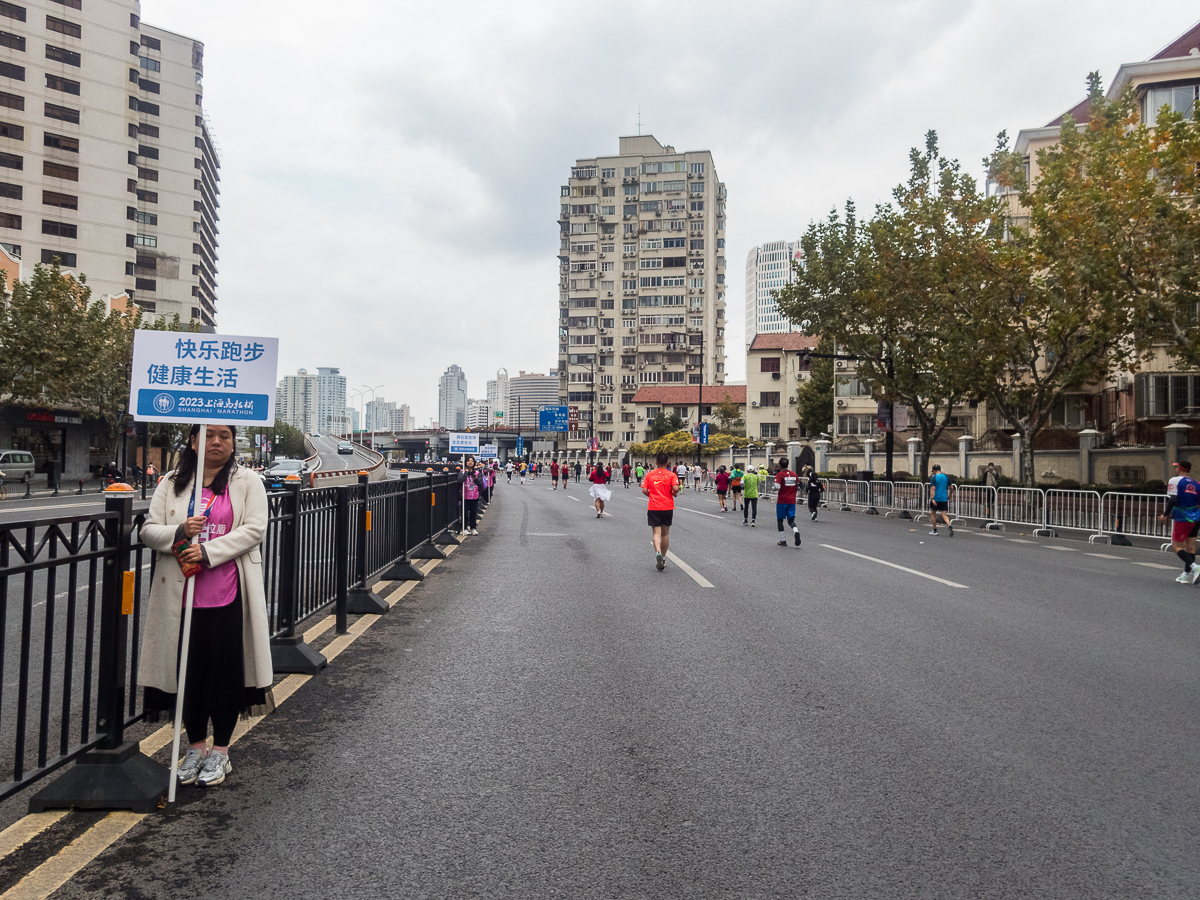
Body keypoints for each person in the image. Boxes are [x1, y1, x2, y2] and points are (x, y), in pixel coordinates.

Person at [139, 423, 273, 789]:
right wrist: (180, 532)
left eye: (224, 436)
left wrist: (209, 551)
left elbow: (254, 529)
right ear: (193, 441)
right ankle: (195, 748)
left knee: (226, 674)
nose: (216, 442)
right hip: (180, 595)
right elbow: (149, 530)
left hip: (228, 593)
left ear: (233, 443)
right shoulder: (171, 482)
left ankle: (221, 751)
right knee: (188, 674)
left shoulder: (247, 482)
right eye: (207, 435)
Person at [1159, 460, 1200, 583]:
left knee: (1176, 546)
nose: (1175, 469)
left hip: (1182, 517)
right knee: (1191, 547)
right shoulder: (1197, 484)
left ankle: (1195, 567)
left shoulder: (1175, 480)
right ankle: (1185, 575)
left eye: (1176, 467)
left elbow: (1173, 499)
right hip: (1196, 516)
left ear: (1179, 469)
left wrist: (1165, 515)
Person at [642, 451, 681, 571]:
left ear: (656, 462)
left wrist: (652, 495)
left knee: (656, 533)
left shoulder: (650, 474)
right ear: (667, 463)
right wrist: (674, 493)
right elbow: (676, 487)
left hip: (654, 507)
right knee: (665, 534)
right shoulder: (671, 475)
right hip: (667, 507)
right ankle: (663, 557)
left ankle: (657, 551)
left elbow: (644, 490)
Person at [774, 457, 802, 547]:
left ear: (780, 465)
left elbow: (777, 486)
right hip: (792, 501)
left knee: (780, 520)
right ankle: (796, 531)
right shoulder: (794, 474)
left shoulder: (779, 475)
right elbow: (799, 486)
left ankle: (783, 540)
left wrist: (773, 487)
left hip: (782, 501)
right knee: (791, 520)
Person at [928, 464, 955, 536]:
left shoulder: (933, 477)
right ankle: (949, 524)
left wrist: (932, 498)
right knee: (944, 514)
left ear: (934, 470)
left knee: (933, 513)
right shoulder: (946, 477)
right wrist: (949, 495)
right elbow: (952, 487)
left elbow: (933, 488)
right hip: (944, 498)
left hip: (936, 498)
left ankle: (935, 530)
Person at [461, 455, 483, 535]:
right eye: (468, 461)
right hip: (465, 495)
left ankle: (473, 528)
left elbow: (481, 484)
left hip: (475, 495)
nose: (470, 462)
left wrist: (475, 479)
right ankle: (464, 528)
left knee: (473, 512)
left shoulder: (477, 473)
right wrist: (466, 473)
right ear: (465, 462)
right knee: (465, 513)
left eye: (472, 461)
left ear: (474, 463)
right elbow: (460, 480)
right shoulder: (462, 472)